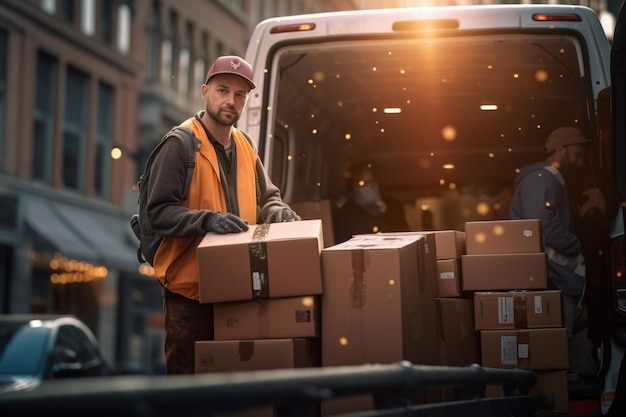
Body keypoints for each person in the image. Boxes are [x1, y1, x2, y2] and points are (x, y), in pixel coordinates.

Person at [146, 55, 300, 375]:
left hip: (238, 290)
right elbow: (158, 211)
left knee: (234, 390)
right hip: (190, 297)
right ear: (205, 92)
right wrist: (206, 221)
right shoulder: (180, 143)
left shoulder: (245, 145)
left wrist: (278, 212)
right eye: (222, 90)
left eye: (240, 95)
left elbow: (268, 197)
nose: (231, 101)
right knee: (188, 391)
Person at [509, 126, 606, 377]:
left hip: (566, 282)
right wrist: (578, 246)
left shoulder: (552, 181)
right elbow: (541, 223)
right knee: (558, 352)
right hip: (555, 281)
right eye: (578, 155)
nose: (581, 162)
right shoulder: (543, 179)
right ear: (560, 151)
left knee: (579, 360)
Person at [333, 162, 407, 243]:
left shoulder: (393, 206)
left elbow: (406, 236)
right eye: (362, 184)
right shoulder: (346, 217)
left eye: (372, 182)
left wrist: (385, 214)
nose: (369, 187)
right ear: (352, 188)